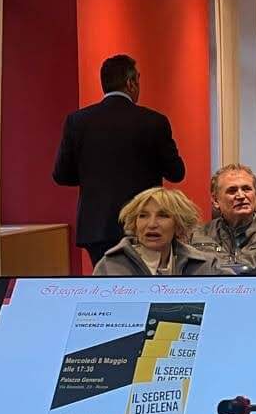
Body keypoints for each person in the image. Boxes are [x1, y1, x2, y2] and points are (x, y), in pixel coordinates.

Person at [52, 53, 186, 264]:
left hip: (96, 226)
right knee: (143, 279)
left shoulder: (77, 121)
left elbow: (61, 175)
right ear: (131, 83)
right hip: (142, 224)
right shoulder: (154, 121)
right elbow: (176, 173)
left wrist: (92, 175)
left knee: (106, 281)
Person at [93, 187, 212, 277]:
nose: (151, 224)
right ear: (135, 225)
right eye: (143, 215)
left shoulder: (203, 266)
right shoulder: (109, 266)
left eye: (163, 215)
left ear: (178, 226)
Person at [191, 164, 256, 271]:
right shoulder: (196, 235)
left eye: (246, 189)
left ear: (255, 196)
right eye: (232, 191)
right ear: (215, 200)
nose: (241, 196)